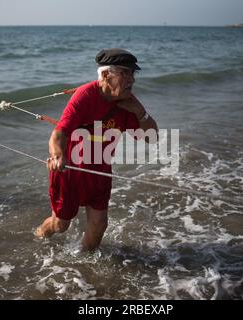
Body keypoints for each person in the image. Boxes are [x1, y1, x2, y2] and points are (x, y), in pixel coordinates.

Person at [35, 48, 158, 251]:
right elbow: (58, 134)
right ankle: (39, 235)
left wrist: (140, 111)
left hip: (100, 172)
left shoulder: (127, 102)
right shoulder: (85, 96)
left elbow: (151, 138)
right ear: (105, 74)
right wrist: (57, 156)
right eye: (124, 73)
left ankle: (82, 268)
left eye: (133, 73)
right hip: (70, 172)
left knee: (99, 225)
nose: (131, 80)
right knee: (61, 225)